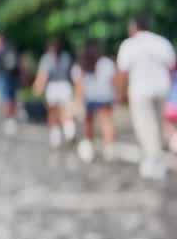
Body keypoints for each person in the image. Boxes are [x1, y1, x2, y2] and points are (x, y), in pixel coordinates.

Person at [118, 16, 176, 180]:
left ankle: (153, 161)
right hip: (162, 88)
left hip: (140, 91)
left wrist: (120, 93)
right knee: (157, 125)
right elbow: (172, 65)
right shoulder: (161, 42)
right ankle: (155, 158)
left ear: (134, 27)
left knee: (146, 127)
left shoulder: (129, 45)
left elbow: (123, 72)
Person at [72, 41, 116, 163]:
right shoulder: (106, 63)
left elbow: (79, 85)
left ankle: (89, 146)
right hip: (105, 95)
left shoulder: (80, 65)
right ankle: (109, 149)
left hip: (89, 96)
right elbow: (113, 80)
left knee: (88, 123)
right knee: (107, 122)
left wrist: (77, 103)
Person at [34, 39, 76, 147]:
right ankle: (67, 130)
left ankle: (57, 134)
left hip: (54, 86)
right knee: (64, 112)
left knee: (53, 113)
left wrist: (38, 87)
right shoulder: (66, 57)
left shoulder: (47, 58)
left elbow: (43, 75)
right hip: (64, 86)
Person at [0, 34, 21, 135]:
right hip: (12, 76)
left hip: (3, 75)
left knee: (7, 98)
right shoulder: (11, 48)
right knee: (11, 97)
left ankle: (9, 118)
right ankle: (11, 117)